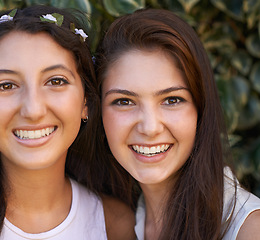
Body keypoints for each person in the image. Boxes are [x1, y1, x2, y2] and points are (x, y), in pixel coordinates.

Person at [0, 5, 135, 240]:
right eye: (7, 85)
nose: (33, 110)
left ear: (85, 101)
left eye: (55, 81)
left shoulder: (115, 225)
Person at [96, 8, 260, 240]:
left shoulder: (249, 230)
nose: (150, 127)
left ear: (200, 108)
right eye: (124, 101)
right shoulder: (121, 222)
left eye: (172, 100)